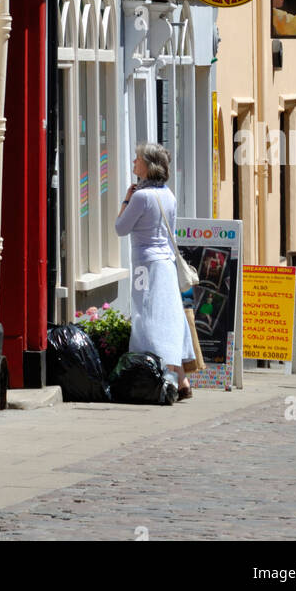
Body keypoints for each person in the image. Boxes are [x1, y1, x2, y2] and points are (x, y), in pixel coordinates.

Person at [115, 142, 195, 400]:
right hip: (166, 265)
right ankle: (181, 380)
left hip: (144, 265)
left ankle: (166, 378)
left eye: (137, 159)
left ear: (148, 166)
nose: (134, 164)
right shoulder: (168, 195)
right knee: (168, 317)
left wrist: (126, 199)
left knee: (146, 317)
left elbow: (120, 227)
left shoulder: (140, 197)